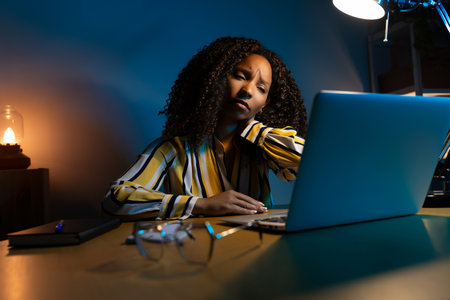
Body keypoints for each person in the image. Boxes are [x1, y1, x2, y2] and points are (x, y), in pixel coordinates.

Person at [102, 37, 307, 220]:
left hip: (259, 252)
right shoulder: (172, 149)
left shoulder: (262, 149)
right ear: (216, 78)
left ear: (265, 103)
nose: (248, 90)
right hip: (196, 253)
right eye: (240, 76)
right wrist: (200, 205)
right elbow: (115, 199)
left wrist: (256, 130)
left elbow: (309, 164)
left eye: (261, 89)